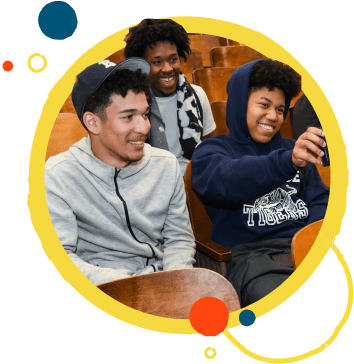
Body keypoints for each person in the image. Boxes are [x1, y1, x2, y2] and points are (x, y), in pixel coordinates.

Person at [45, 58, 196, 286]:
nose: (144, 127)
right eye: (128, 117)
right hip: (102, 289)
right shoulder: (59, 174)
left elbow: (179, 239)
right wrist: (127, 285)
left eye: (145, 114)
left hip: (162, 282)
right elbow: (60, 257)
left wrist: (174, 284)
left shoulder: (165, 164)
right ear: (92, 123)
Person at [191, 59, 329, 307]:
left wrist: (311, 242)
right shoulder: (211, 151)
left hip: (305, 250)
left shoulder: (293, 149)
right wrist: (287, 163)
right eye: (264, 105)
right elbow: (227, 180)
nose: (272, 116)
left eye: (279, 109)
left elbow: (319, 200)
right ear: (239, 103)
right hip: (253, 260)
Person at [124, 19, 216, 173]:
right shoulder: (132, 103)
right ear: (143, 65)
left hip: (194, 178)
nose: (168, 68)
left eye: (173, 59)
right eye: (157, 62)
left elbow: (212, 149)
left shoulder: (197, 95)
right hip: (150, 178)